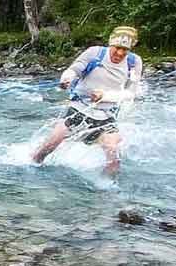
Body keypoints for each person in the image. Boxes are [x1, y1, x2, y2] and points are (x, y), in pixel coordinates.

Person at [31, 26, 143, 175]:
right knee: (50, 146)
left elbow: (130, 93)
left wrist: (106, 96)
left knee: (113, 155)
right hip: (79, 108)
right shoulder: (95, 52)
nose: (120, 53)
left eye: (125, 50)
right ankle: (30, 166)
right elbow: (74, 69)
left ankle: (108, 190)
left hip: (106, 115)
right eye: (117, 48)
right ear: (111, 44)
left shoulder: (134, 62)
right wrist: (67, 79)